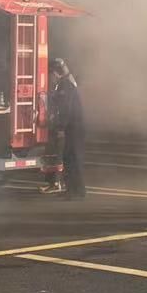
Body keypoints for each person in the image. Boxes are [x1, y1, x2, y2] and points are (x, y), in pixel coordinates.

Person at [47, 56, 86, 200]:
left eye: (50, 74)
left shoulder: (65, 86)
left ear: (54, 73)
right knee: (70, 158)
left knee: (72, 159)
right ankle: (73, 190)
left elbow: (65, 110)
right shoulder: (64, 85)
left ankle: (76, 192)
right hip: (74, 127)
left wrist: (60, 127)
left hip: (74, 128)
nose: (50, 78)